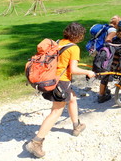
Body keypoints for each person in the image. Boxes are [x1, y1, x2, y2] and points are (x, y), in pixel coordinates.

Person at [26, 22, 96, 158]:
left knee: (72, 98)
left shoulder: (58, 42)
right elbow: (74, 70)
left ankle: (76, 126)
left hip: (51, 78)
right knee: (56, 111)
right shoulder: (74, 48)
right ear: (79, 36)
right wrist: (88, 72)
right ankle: (36, 142)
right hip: (60, 82)